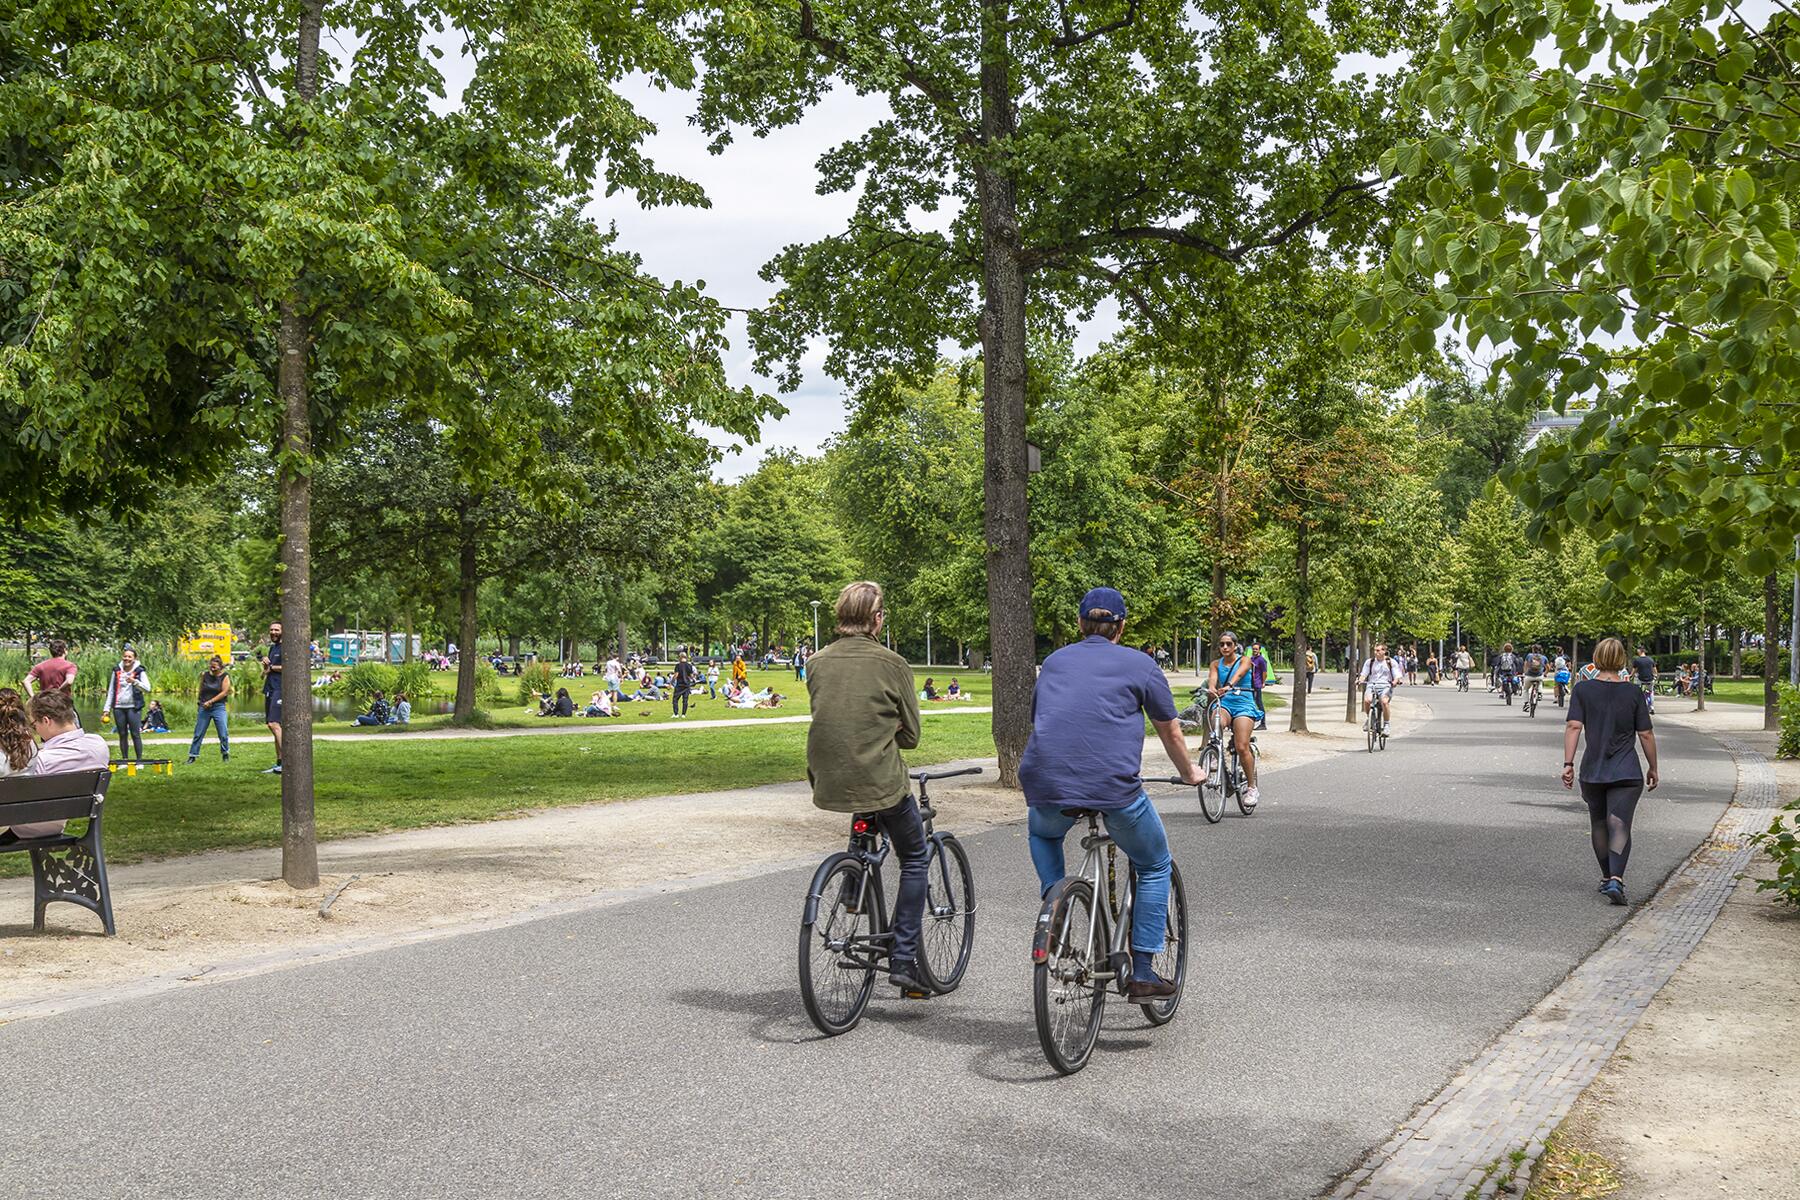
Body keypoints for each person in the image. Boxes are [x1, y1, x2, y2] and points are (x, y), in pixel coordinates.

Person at [1021, 587, 1203, 1001]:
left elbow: (1044, 717)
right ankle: (1141, 970)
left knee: (1044, 833)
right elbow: (1170, 730)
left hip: (1047, 782)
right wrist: (1190, 772)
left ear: (1080, 624)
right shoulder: (1140, 664)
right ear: (1120, 627)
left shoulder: (1054, 661)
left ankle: (1057, 903)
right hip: (1112, 788)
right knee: (1156, 863)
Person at [805, 581, 932, 996]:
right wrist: (887, 727)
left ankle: (853, 888)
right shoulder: (892, 663)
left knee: (865, 812)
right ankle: (903, 958)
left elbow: (835, 719)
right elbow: (911, 735)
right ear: (877, 619)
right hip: (879, 777)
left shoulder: (816, 662)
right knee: (915, 856)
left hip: (828, 777)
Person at [1564, 638, 1659, 906]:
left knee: (1599, 823)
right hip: (1627, 771)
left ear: (1596, 658)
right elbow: (1646, 734)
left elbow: (1573, 727)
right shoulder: (1633, 693)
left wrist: (1568, 764)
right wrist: (1653, 766)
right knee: (1620, 822)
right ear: (1622, 661)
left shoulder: (1582, 690)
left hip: (1593, 770)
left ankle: (1607, 878)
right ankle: (1616, 878)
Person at [4, 690, 109, 841]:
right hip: (59, 821)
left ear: (46, 721)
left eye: (34, 725)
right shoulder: (99, 745)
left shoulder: (42, 760)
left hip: (27, 826)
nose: (35, 731)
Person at [1209, 631, 1266, 801]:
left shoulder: (1244, 660)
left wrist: (1228, 685)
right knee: (1216, 718)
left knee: (1242, 747)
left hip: (1244, 704)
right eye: (1222, 644)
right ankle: (1215, 754)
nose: (1225, 647)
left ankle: (1251, 787)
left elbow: (1239, 674)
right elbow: (1212, 678)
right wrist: (1212, 689)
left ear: (1235, 646)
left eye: (1228, 644)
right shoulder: (1215, 664)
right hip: (1226, 703)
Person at [101, 647, 152, 764]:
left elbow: (148, 688)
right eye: (125, 656)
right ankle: (124, 760)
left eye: (130, 657)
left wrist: (135, 681)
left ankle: (139, 761)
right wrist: (106, 709)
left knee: (135, 734)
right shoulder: (116, 670)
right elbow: (111, 691)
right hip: (118, 707)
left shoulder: (139, 671)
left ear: (134, 658)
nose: (127, 659)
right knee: (122, 734)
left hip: (133, 707)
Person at [188, 654, 232, 763]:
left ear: (220, 666)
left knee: (223, 732)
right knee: (198, 733)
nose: (212, 668)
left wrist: (211, 701)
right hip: (204, 707)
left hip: (218, 707)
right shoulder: (205, 675)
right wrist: (200, 702)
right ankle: (192, 756)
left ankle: (225, 753)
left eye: (214, 666)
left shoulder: (225, 676)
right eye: (211, 666)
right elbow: (201, 689)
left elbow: (225, 692)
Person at [1359, 641, 1403, 735]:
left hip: (1385, 686)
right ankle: (1369, 719)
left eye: (1378, 650)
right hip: (1372, 684)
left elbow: (1397, 675)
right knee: (1367, 700)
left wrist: (1395, 681)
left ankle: (1386, 725)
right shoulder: (1370, 662)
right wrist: (1360, 680)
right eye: (1375, 650)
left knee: (1384, 701)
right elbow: (1364, 674)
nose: (1376, 652)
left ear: (1384, 651)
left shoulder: (1390, 662)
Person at [261, 622, 284, 774]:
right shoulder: (272, 648)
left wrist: (272, 667)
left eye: (276, 630)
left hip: (281, 689)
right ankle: (279, 762)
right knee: (273, 725)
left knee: (273, 724)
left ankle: (287, 762)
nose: (273, 632)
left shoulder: (287, 648)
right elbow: (266, 672)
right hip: (270, 688)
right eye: (271, 630)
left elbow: (293, 666)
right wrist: (265, 667)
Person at [1249, 641, 1270, 730]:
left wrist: (1263, 682)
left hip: (1257, 684)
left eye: (1256, 649)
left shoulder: (1261, 660)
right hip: (1251, 684)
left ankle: (1263, 723)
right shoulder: (1252, 658)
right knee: (1251, 703)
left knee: (1259, 703)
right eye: (1253, 649)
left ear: (1259, 650)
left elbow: (1264, 672)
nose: (1255, 650)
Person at [1522, 644, 1549, 709]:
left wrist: (1525, 673)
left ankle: (1526, 704)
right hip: (1539, 676)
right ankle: (1539, 693)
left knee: (1525, 689)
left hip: (1529, 676)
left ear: (1533, 650)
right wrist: (1545, 673)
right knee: (1540, 682)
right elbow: (1548, 667)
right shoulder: (1544, 657)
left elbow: (1525, 665)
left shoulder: (1529, 656)